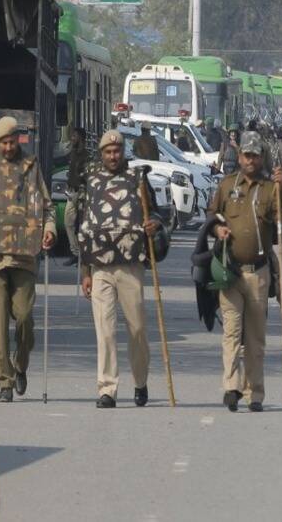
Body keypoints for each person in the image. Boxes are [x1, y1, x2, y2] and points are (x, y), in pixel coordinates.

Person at [0, 116, 57, 403]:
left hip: (24, 257)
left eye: (12, 141)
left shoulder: (31, 167)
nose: (8, 147)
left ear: (19, 139)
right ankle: (4, 381)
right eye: (3, 142)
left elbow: (47, 207)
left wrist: (50, 230)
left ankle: (21, 363)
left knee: (25, 317)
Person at [77, 130, 166, 409]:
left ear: (123, 151)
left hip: (131, 265)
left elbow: (156, 213)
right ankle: (107, 389)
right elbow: (85, 227)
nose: (113, 156)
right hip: (100, 266)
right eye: (108, 152)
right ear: (101, 154)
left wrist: (154, 224)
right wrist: (85, 272)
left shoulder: (137, 178)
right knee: (104, 330)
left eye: (117, 151)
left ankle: (140, 381)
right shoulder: (91, 180)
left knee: (136, 329)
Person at [206, 136, 282, 412]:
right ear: (239, 156)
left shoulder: (269, 188)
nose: (250, 160)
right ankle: (232, 387)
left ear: (261, 157)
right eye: (246, 155)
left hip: (258, 273)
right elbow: (211, 216)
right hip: (230, 272)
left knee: (255, 339)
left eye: (255, 155)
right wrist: (217, 229)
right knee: (231, 333)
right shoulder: (227, 185)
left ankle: (255, 393)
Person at [64, 127, 89, 266]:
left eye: (74, 136)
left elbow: (86, 176)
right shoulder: (72, 153)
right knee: (68, 222)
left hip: (81, 194)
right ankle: (75, 253)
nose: (72, 138)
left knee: (81, 225)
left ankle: (83, 256)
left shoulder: (86, 155)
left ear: (81, 138)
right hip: (71, 192)